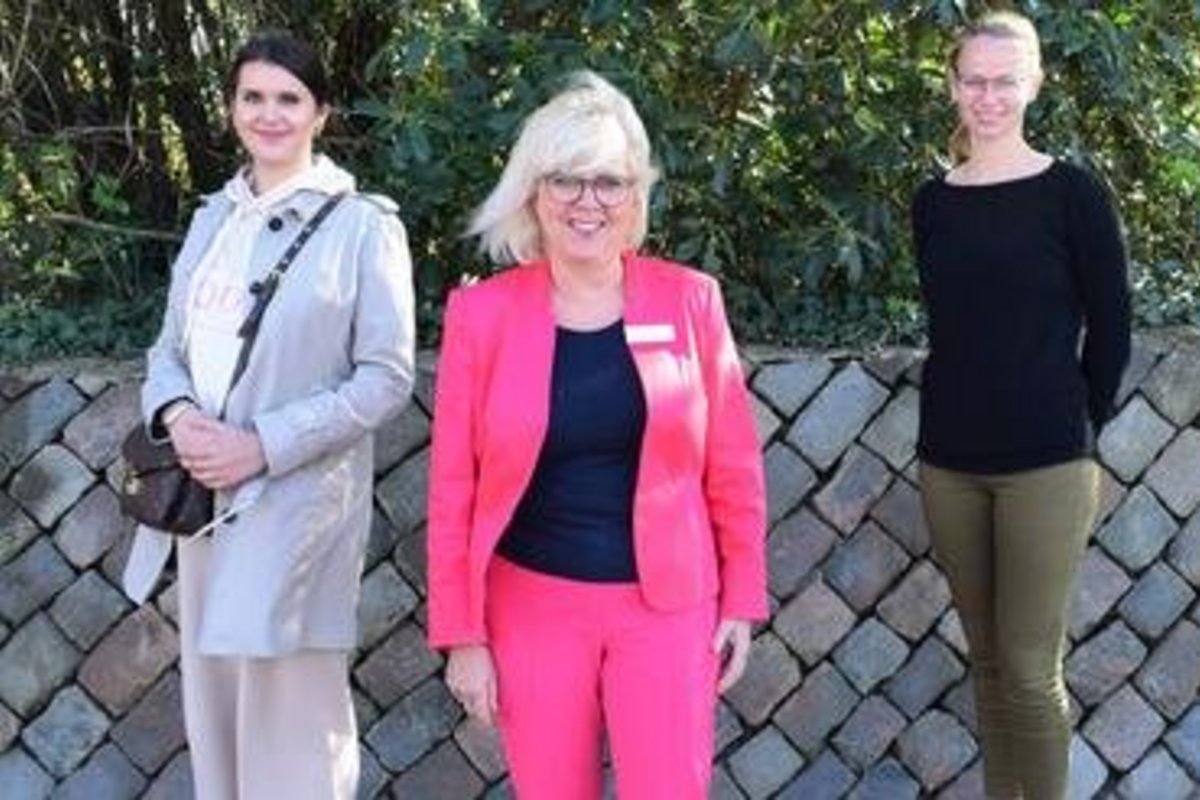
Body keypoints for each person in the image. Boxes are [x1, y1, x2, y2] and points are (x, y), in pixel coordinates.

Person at [426, 71, 766, 799]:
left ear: (636, 194)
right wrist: (462, 636)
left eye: (609, 182)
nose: (588, 202)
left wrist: (742, 598)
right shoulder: (480, 315)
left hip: (669, 611)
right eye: (566, 180)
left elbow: (733, 467)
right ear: (532, 193)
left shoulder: (690, 301)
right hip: (531, 607)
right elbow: (453, 487)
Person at [121, 31, 414, 799]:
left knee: (294, 725)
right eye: (254, 96)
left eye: (289, 98)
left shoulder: (364, 228)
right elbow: (165, 353)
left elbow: (386, 378)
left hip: (295, 509)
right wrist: (180, 416)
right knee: (215, 710)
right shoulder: (212, 218)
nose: (270, 113)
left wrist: (262, 446)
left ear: (321, 112)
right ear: (231, 108)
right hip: (201, 504)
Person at [912, 11, 1131, 800]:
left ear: (1034, 83)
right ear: (953, 84)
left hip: (1047, 463)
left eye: (1006, 80)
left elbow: (1112, 328)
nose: (989, 96)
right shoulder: (933, 202)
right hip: (949, 463)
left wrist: (1077, 428)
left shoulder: (1073, 194)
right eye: (975, 79)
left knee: (1033, 670)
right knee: (990, 662)